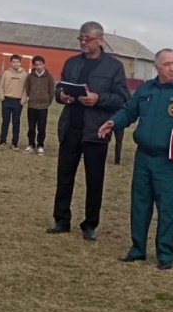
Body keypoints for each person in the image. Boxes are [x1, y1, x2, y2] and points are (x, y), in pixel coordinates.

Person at [99, 49, 173, 269]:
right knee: (140, 205)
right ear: (157, 67)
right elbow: (129, 111)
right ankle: (137, 249)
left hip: (169, 161)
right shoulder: (145, 89)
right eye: (167, 64)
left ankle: (165, 254)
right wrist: (113, 122)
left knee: (167, 207)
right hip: (144, 158)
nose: (172, 68)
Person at [47, 21, 129, 240]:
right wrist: (61, 95)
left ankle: (90, 225)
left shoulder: (114, 67)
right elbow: (59, 88)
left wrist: (98, 98)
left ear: (100, 40)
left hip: (96, 131)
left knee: (94, 180)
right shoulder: (72, 63)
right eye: (80, 38)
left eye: (88, 39)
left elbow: (122, 98)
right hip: (71, 128)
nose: (83, 42)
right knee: (64, 177)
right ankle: (61, 220)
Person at [22, 55, 55, 154]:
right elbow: (27, 88)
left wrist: (47, 102)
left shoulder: (49, 77)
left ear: (43, 64)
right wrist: (30, 98)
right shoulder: (30, 76)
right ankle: (31, 144)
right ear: (34, 65)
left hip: (43, 107)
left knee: (41, 127)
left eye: (40, 64)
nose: (39, 66)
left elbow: (51, 91)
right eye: (37, 65)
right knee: (31, 127)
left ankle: (40, 145)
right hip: (32, 106)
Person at [0, 54, 27, 150]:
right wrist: (2, 97)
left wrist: (23, 100)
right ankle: (2, 141)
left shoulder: (24, 75)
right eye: (13, 62)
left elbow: (26, 89)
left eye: (17, 62)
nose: (15, 64)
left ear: (20, 63)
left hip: (18, 102)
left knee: (16, 123)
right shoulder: (6, 73)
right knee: (5, 122)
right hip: (6, 100)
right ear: (11, 63)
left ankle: (14, 143)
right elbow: (1, 86)